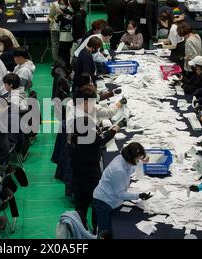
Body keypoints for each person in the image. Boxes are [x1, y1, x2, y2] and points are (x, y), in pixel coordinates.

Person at [67, 87, 124, 228]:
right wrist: (114, 130)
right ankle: (94, 229)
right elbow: (98, 141)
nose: (94, 105)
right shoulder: (80, 119)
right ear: (85, 102)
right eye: (92, 102)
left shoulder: (78, 111)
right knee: (96, 198)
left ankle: (81, 227)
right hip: (87, 165)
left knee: (82, 199)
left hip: (80, 161)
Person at [93, 142, 152, 234]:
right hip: (104, 201)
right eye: (138, 158)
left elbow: (131, 168)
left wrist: (141, 162)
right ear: (131, 157)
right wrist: (138, 196)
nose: (139, 160)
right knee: (105, 231)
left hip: (111, 198)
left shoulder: (123, 158)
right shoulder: (118, 170)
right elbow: (120, 194)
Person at [56, 0, 74, 65]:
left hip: (70, 37)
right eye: (60, 4)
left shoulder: (71, 12)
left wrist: (61, 15)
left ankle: (68, 68)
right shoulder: (60, 12)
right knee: (62, 54)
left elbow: (67, 21)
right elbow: (57, 21)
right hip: (62, 36)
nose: (61, 5)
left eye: (63, 4)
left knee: (68, 54)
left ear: (67, 5)